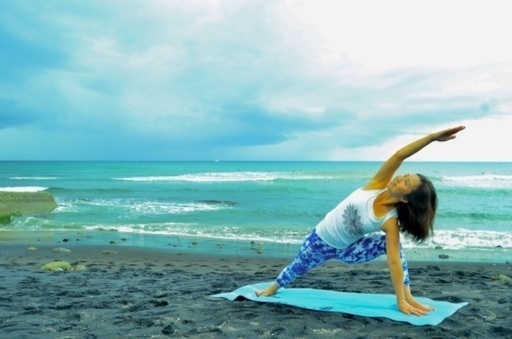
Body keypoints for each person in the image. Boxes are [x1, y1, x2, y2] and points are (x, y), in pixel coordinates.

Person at [256, 125, 465, 316]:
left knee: (393, 247)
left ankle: (407, 296)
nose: (400, 177)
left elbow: (394, 261)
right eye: (405, 175)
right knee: (298, 267)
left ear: (405, 198)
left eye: (406, 181)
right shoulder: (377, 184)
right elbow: (400, 155)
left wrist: (400, 300)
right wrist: (431, 138)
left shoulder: (389, 221)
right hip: (320, 241)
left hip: (350, 250)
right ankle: (272, 288)